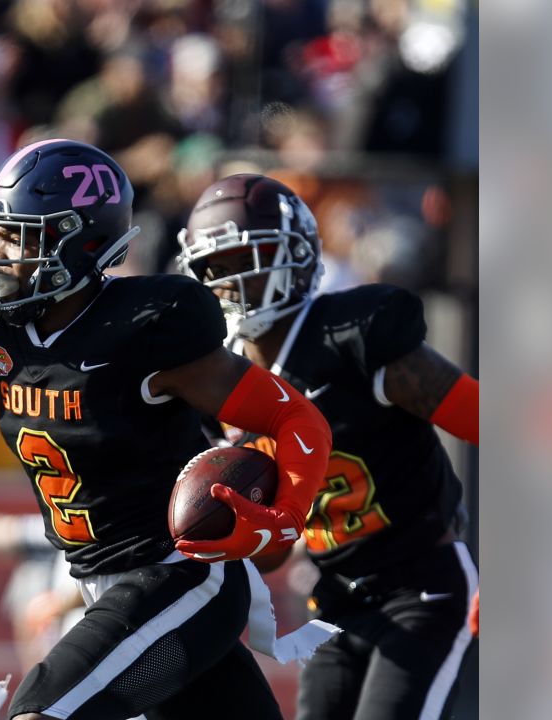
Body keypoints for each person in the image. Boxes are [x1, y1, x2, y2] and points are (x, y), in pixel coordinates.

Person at [0, 127, 336, 719]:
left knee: (40, 713)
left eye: (14, 238)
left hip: (177, 576)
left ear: (75, 243)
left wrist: (287, 516)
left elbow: (293, 415)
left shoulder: (147, 328)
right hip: (100, 580)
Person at [175, 173, 480, 720]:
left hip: (422, 585)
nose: (227, 281)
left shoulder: (354, 337)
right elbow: (271, 552)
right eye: (213, 268)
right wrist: (242, 531)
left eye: (246, 258)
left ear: (293, 254)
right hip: (335, 595)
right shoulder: (216, 383)